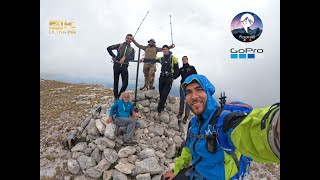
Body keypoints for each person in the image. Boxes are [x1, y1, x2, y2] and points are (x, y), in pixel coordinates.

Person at [162, 74, 280, 180]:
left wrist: (274, 129)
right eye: (188, 92)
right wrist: (175, 170)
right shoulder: (193, 123)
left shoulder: (224, 121)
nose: (194, 96)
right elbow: (188, 150)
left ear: (208, 92)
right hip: (196, 174)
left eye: (199, 89)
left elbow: (247, 131)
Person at [140, 45, 179, 113]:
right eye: (163, 49)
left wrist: (173, 77)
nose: (165, 50)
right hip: (162, 77)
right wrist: (144, 59)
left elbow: (177, 69)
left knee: (164, 94)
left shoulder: (173, 58)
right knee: (161, 93)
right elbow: (153, 60)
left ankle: (159, 109)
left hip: (169, 77)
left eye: (166, 49)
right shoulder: (162, 58)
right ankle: (162, 105)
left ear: (168, 50)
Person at [107, 34, 135, 100]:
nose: (129, 40)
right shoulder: (120, 45)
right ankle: (116, 97)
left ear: (132, 40)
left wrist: (125, 57)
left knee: (125, 83)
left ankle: (119, 96)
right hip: (116, 65)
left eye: (130, 39)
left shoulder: (132, 49)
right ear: (125, 38)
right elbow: (108, 48)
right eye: (127, 38)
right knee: (116, 82)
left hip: (124, 66)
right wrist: (114, 56)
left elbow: (132, 58)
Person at [176, 56, 197, 124]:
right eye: (183, 59)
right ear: (182, 60)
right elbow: (176, 76)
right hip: (182, 86)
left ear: (187, 60)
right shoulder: (181, 69)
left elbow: (196, 76)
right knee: (182, 100)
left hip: (189, 87)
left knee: (188, 101)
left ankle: (186, 117)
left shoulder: (191, 68)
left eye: (185, 59)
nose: (184, 60)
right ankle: (180, 114)